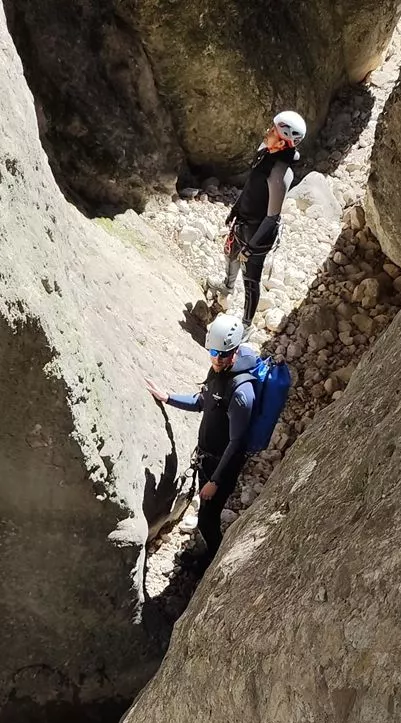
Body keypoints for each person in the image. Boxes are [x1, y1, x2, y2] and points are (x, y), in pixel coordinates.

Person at [145, 313, 260, 575]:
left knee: (209, 518)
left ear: (236, 350)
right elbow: (202, 403)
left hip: (222, 466)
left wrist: (215, 481)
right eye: (213, 352)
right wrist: (169, 397)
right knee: (206, 512)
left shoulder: (242, 393)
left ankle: (213, 560)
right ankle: (207, 550)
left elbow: (236, 443)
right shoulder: (218, 370)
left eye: (224, 354)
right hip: (208, 460)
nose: (217, 359)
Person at [222, 109, 306, 327]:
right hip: (244, 220)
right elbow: (251, 186)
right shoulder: (266, 153)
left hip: (258, 233)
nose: (267, 132)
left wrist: (252, 247)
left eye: (273, 131)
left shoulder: (280, 173)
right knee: (230, 254)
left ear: (283, 142)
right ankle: (227, 288)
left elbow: (271, 217)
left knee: (251, 280)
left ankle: (247, 324)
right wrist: (235, 209)